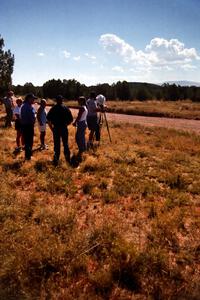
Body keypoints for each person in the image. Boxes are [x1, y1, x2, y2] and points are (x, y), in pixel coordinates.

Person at [47, 95, 73, 166]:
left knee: (57, 144)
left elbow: (48, 119)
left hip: (56, 128)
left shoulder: (53, 108)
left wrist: (52, 128)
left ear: (56, 100)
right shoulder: (66, 108)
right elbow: (71, 119)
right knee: (65, 144)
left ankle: (56, 160)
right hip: (64, 128)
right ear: (62, 100)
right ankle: (68, 159)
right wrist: (66, 125)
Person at [20, 93, 37, 160]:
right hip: (29, 126)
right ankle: (28, 157)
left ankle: (28, 156)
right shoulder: (29, 107)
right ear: (29, 99)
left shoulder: (23, 106)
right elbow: (32, 118)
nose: (34, 100)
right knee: (29, 142)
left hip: (25, 126)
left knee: (27, 141)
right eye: (33, 98)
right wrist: (35, 115)